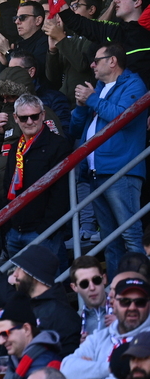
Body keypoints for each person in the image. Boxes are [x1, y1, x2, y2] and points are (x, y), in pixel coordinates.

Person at [70, 44, 149, 275]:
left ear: (112, 61)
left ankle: (142, 291)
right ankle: (116, 294)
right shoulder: (98, 89)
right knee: (109, 241)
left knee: (131, 236)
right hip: (96, 172)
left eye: (97, 60)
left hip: (121, 171)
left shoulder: (134, 84)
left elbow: (122, 118)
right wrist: (80, 107)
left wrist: (92, 100)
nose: (92, 64)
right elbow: (75, 130)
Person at [0, 238, 83, 355]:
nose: (15, 274)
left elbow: (7, 297)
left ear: (33, 274)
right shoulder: (25, 307)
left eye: (20, 269)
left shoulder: (60, 314)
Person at [0, 94, 73, 259]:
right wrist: (8, 227)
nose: (30, 121)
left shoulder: (58, 145)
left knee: (49, 282)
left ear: (43, 115)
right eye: (24, 118)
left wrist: (46, 229)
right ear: (16, 118)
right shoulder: (14, 148)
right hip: (14, 231)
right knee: (19, 283)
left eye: (34, 116)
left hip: (43, 233)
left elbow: (61, 193)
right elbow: (6, 187)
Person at [62, 275, 150, 379]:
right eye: (125, 302)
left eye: (140, 302)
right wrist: (112, 367)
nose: (132, 307)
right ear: (113, 303)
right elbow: (67, 373)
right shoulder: (98, 338)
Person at [0, 297, 63, 379]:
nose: (1, 341)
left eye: (5, 334)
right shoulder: (12, 367)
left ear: (26, 329)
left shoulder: (51, 363)